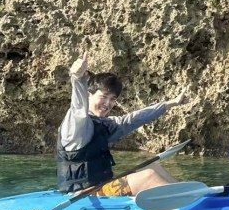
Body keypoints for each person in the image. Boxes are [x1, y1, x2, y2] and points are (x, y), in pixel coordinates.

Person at [57, 51, 193, 196]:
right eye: (103, 97)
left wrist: (170, 104)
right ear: (88, 96)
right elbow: (78, 107)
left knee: (154, 167)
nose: (107, 103)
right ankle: (189, 208)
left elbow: (133, 119)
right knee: (148, 177)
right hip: (83, 195)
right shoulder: (76, 125)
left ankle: (195, 198)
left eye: (112, 99)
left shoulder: (104, 124)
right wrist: (77, 78)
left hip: (102, 187)